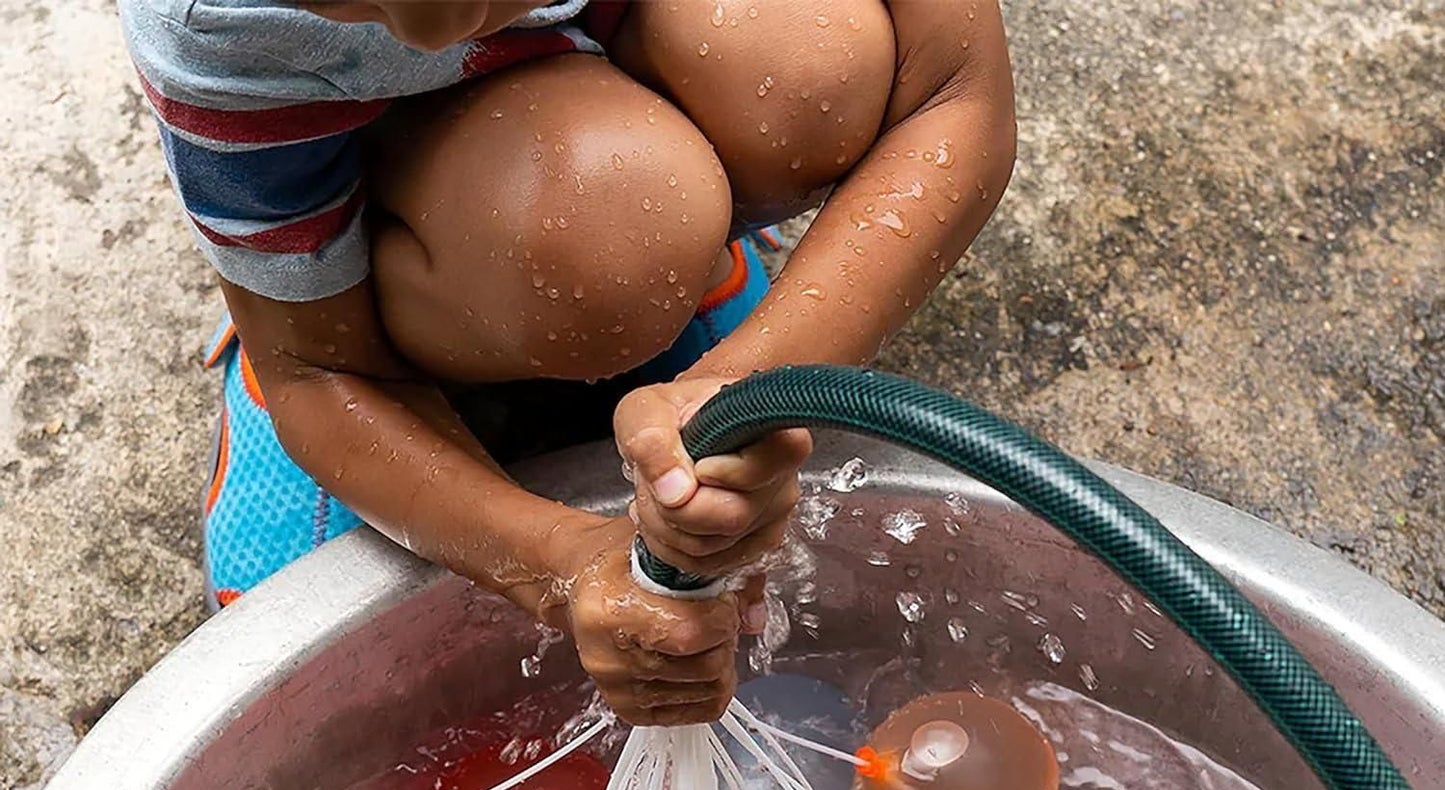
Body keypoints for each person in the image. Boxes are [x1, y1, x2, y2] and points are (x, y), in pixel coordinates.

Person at [119, 0, 1014, 724]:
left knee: (814, 65)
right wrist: (560, 563)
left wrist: (748, 384)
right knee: (607, 246)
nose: (429, 22)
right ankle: (330, 276)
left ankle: (686, 247)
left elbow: (950, 90)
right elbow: (316, 374)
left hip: (606, 60)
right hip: (383, 148)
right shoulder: (221, 20)